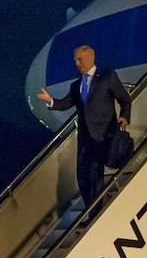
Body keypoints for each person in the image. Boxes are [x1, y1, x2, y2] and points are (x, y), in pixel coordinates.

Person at [36, 45, 131, 218]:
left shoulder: (107, 77)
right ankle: (92, 210)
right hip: (85, 139)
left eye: (80, 59)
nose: (77, 63)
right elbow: (66, 103)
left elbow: (124, 98)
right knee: (83, 177)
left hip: (103, 135)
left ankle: (95, 215)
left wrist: (124, 117)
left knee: (95, 176)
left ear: (91, 58)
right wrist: (50, 100)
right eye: (75, 60)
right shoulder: (76, 85)